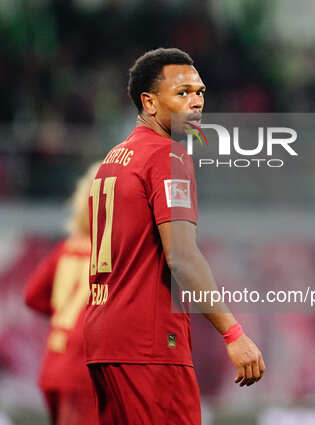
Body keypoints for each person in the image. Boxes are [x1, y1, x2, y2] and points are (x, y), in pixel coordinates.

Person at [83, 48, 266, 425]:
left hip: (105, 338)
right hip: (150, 343)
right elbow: (181, 255)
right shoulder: (167, 157)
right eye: (182, 93)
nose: (196, 102)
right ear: (149, 102)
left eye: (199, 92)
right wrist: (234, 334)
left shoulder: (114, 159)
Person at [25, 162, 100, 425]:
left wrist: (62, 314)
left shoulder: (67, 248)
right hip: (84, 371)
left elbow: (32, 295)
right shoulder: (110, 256)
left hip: (54, 364)